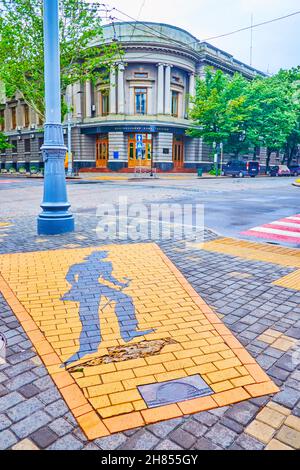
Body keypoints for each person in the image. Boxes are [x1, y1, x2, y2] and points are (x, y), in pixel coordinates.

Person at [61, 251, 154, 365]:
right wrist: (78, 287)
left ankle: (128, 331)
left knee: (125, 299)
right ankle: (90, 344)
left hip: (97, 286)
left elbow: (107, 277)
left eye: (101, 256)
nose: (100, 258)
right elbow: (69, 277)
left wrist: (119, 284)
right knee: (90, 313)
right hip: (86, 290)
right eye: (99, 256)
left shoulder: (106, 264)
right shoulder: (78, 266)